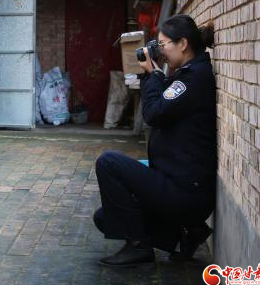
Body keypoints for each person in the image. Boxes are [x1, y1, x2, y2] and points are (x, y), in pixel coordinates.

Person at [93, 15, 217, 266]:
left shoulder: (194, 78)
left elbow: (153, 113)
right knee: (105, 217)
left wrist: (150, 75)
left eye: (162, 44)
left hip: (185, 192)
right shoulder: (187, 74)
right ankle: (186, 233)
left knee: (108, 162)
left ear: (183, 44)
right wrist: (155, 75)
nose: (160, 50)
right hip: (177, 182)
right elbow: (165, 100)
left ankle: (139, 247)